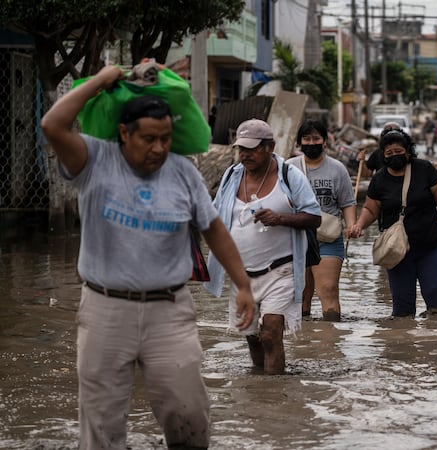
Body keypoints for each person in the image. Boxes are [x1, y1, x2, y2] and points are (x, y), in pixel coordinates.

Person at [40, 65, 256, 449]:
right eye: (149, 139)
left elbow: (215, 230)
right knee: (101, 424)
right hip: (105, 309)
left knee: (188, 412)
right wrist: (99, 81)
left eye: (167, 138)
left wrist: (242, 285)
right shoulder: (93, 160)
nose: (159, 148)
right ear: (124, 134)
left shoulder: (182, 172)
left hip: (169, 310)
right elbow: (53, 124)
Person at [205, 118, 321, 375]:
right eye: (241, 149)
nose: (245, 154)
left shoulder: (290, 175)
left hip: (281, 270)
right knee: (252, 336)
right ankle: (260, 389)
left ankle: (275, 396)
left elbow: (314, 217)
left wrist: (280, 218)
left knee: (270, 334)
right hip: (241, 274)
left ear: (270, 147)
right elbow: (215, 216)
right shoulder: (232, 176)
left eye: (252, 148)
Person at [348, 129, 437, 317]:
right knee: (402, 310)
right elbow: (371, 209)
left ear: (408, 151)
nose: (395, 156)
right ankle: (402, 343)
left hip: (430, 246)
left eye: (399, 151)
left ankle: (436, 343)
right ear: (383, 156)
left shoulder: (424, 169)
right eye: (389, 153)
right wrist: (359, 225)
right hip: (397, 251)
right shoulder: (380, 179)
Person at [287, 119, 356, 322]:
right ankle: (305, 344)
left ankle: (331, 340)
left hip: (328, 237)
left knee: (328, 288)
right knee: (300, 295)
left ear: (325, 141)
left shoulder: (337, 169)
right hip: (295, 237)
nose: (311, 142)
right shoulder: (288, 168)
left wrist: (351, 225)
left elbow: (347, 202)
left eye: (316, 138)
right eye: (306, 139)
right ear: (299, 142)